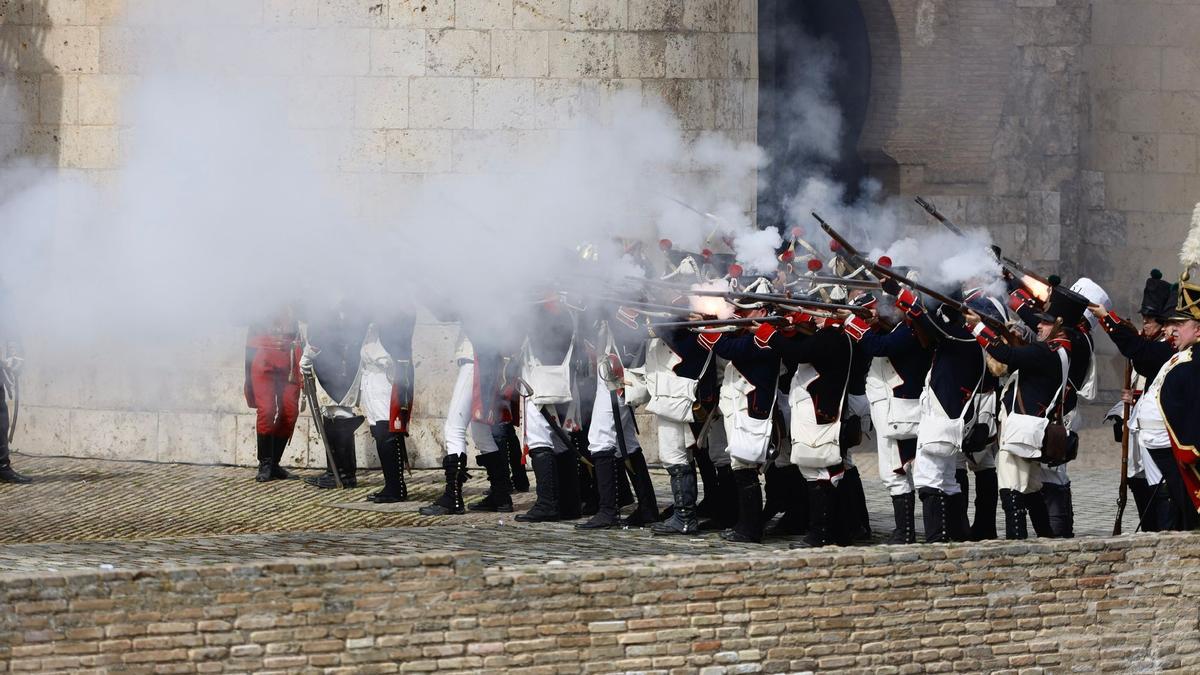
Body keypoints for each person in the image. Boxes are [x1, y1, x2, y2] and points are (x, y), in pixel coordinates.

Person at [967, 295, 1075, 539]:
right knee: (1031, 488)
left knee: (1011, 489)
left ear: (1059, 324)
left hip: (1020, 429)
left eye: (1046, 323)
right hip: (1031, 429)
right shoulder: (1061, 349)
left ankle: (1016, 545)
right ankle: (1047, 540)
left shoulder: (1046, 351)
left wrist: (977, 327)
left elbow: (1008, 356)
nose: (1039, 325)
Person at [844, 286, 933, 544]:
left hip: (898, 412)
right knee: (895, 471)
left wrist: (852, 322)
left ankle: (905, 531)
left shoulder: (909, 332)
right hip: (893, 412)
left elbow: (879, 347)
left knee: (897, 471)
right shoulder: (903, 329)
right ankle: (904, 530)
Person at [1093, 270, 1178, 530]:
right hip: (1144, 432)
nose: (1145, 325)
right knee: (1143, 485)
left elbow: (1141, 353)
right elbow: (1143, 361)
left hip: (1163, 434)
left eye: (1149, 320)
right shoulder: (1158, 345)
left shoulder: (1169, 347)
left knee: (1163, 492)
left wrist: (1107, 319)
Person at [300, 300, 370, 489]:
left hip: (337, 361)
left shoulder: (333, 298)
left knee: (338, 413)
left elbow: (322, 331)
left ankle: (343, 474)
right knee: (334, 414)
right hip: (341, 358)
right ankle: (337, 471)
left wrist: (308, 354)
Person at [1154, 267, 1200, 529]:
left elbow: (1189, 445)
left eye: (1181, 324)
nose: (1173, 330)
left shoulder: (1187, 369)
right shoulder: (1184, 363)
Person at [360, 310, 416, 504]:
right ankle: (390, 484)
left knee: (388, 431)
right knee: (378, 431)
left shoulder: (398, 309)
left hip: (388, 377)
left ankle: (396, 487)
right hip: (370, 377)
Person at [244, 308, 303, 482]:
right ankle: (265, 463)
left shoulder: (294, 300)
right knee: (267, 410)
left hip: (289, 358)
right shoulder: (260, 297)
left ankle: (275, 463)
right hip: (263, 357)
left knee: (290, 412)